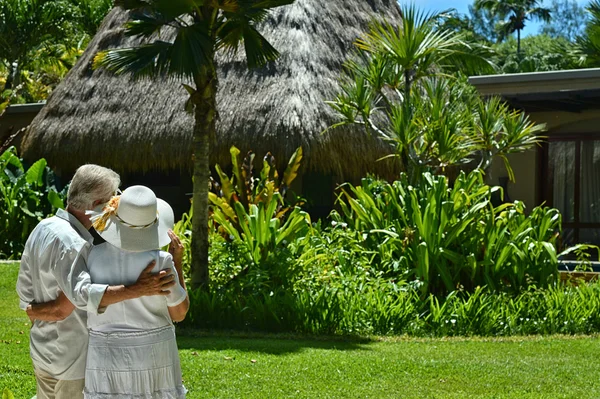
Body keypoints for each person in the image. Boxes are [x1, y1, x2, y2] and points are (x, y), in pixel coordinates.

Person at [16, 165, 176, 399]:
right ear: (96, 205)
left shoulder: (43, 227)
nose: (114, 208)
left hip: (42, 351)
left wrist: (34, 311)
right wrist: (136, 289)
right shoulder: (73, 242)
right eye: (112, 202)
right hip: (71, 358)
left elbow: (25, 296)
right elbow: (78, 298)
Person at [84, 185, 189, 398]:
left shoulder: (91, 257)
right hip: (153, 355)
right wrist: (177, 262)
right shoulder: (161, 261)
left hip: (105, 355)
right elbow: (179, 313)